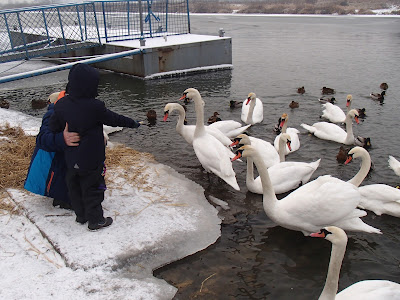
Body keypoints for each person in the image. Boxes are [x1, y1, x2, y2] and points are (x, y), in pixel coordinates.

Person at [49, 63, 141, 231]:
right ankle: (96, 220)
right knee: (94, 189)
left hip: (71, 159)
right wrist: (132, 123)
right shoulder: (95, 106)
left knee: (74, 187)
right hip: (92, 160)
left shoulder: (61, 105)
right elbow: (114, 119)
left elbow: (53, 127)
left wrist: (60, 137)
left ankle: (81, 216)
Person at [24, 91, 80, 209]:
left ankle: (65, 196)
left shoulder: (70, 112)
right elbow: (42, 139)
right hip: (56, 162)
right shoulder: (52, 114)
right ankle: (63, 199)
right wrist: (62, 139)